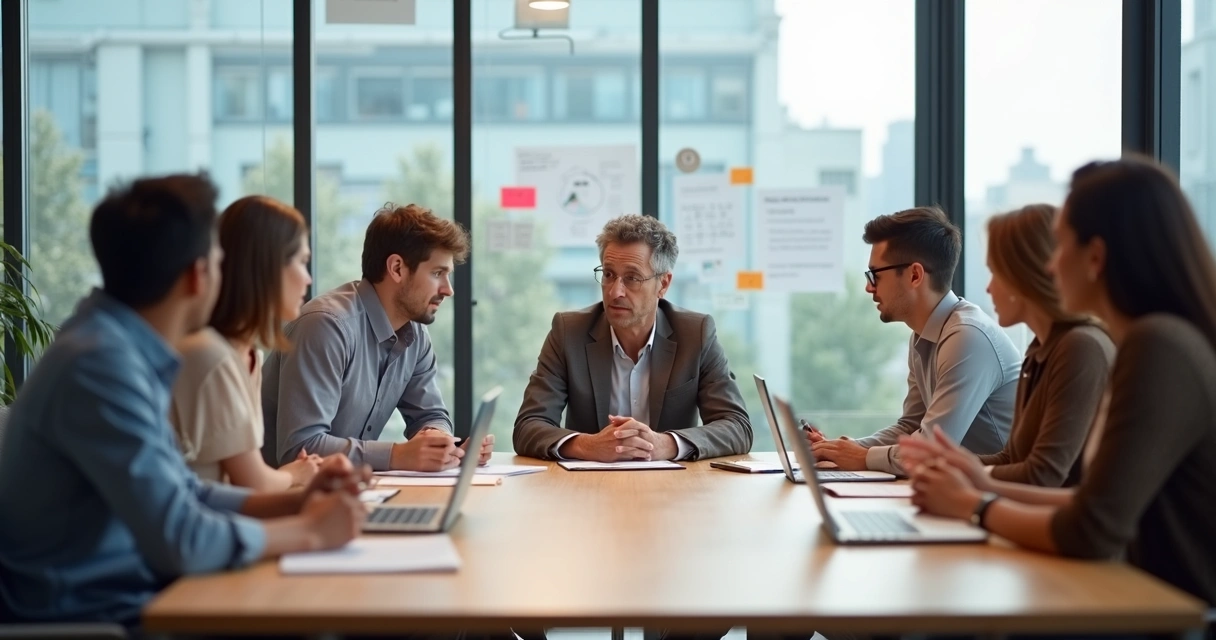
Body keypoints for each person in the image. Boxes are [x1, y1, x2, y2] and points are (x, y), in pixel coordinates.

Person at [0, 174, 367, 627]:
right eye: (219, 259)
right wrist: (308, 532)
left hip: (135, 597)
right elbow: (180, 537)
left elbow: (185, 492)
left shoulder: (114, 348)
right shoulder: (101, 366)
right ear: (198, 275)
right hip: (100, 616)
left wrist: (296, 502)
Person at [905, 156, 1216, 616]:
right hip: (1136, 598)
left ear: (1095, 258)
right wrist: (976, 481)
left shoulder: (1156, 347)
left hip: (1160, 613)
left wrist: (975, 504)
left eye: (1059, 246)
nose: (1050, 266)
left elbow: (1090, 528)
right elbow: (1088, 502)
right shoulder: (1149, 341)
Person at [263, 202, 493, 472]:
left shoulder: (414, 334)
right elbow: (299, 449)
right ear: (396, 268)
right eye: (437, 273)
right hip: (275, 501)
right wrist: (398, 455)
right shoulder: (326, 326)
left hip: (343, 492)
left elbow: (430, 415)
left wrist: (439, 443)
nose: (448, 290)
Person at [514, 214, 752, 462]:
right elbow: (528, 426)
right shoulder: (569, 332)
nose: (616, 291)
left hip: (674, 490)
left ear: (663, 284)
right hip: (587, 489)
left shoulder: (695, 334)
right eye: (608, 274)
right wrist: (587, 445)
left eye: (632, 278)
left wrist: (666, 444)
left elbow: (737, 427)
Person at [808, 206, 1020, 476]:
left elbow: (928, 449)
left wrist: (861, 456)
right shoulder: (924, 334)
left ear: (915, 275)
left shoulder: (967, 337)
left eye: (875, 275)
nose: (868, 287)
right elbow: (910, 427)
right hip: (959, 488)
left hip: (1000, 494)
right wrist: (838, 450)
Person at [930, 204, 1112, 486]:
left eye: (994, 273)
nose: (988, 288)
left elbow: (1044, 474)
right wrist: (940, 465)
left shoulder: (1080, 347)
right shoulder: (1040, 349)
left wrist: (965, 474)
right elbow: (1012, 459)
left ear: (1022, 275)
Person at [170, 195, 322, 490]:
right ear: (266, 266)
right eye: (302, 262)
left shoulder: (248, 353)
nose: (307, 278)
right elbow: (254, 483)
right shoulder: (210, 354)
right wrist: (300, 473)